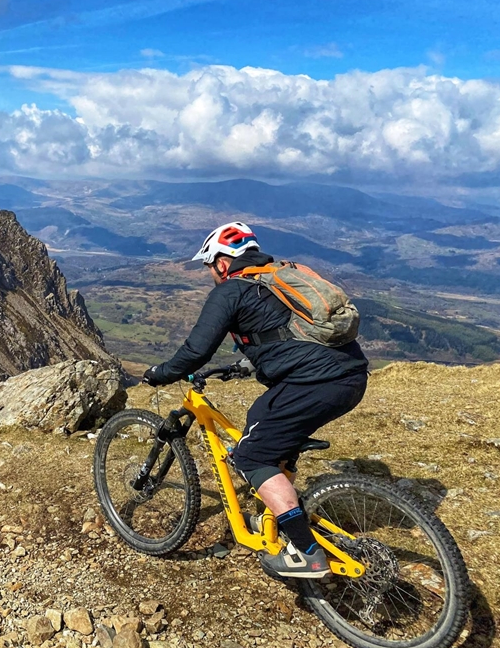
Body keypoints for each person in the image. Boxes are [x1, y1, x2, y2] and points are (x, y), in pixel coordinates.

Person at [142, 221, 368, 579]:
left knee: (249, 454)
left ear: (221, 262)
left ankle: (307, 553)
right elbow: (284, 336)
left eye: (210, 268)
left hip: (317, 383)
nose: (212, 275)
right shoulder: (277, 277)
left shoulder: (230, 291)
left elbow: (195, 351)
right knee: (261, 420)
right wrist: (244, 366)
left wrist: (161, 372)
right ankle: (279, 512)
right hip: (352, 376)